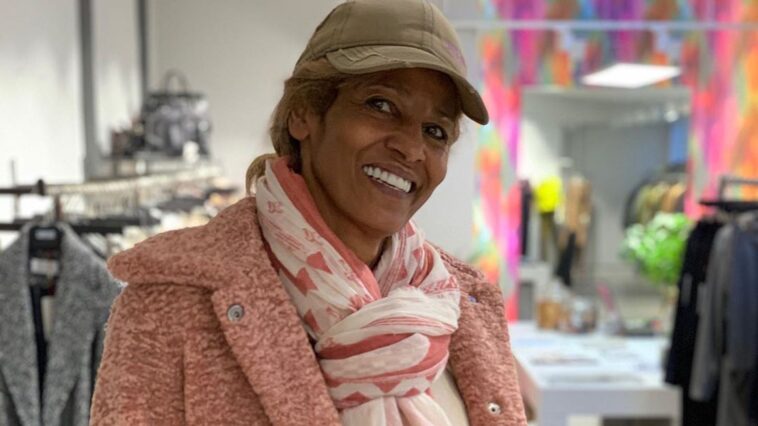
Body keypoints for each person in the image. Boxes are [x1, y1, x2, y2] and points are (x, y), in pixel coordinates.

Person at [90, 0, 527, 425]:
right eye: (381, 105)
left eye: (436, 131)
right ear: (303, 113)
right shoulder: (172, 304)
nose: (412, 148)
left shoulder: (465, 306)